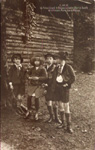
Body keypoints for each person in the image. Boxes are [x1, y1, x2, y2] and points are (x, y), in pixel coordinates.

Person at [52, 52, 75, 133]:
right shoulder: (56, 67)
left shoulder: (68, 67)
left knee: (66, 106)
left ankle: (69, 126)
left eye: (58, 58)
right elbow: (54, 77)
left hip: (64, 89)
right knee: (60, 105)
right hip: (57, 89)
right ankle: (63, 123)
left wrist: (67, 83)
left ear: (62, 59)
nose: (57, 60)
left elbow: (73, 78)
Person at [25, 56, 47, 121]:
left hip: (38, 85)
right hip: (32, 85)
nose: (36, 62)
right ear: (33, 62)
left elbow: (45, 77)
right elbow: (27, 74)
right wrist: (29, 77)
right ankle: (28, 110)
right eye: (35, 61)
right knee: (29, 97)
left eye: (38, 61)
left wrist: (38, 78)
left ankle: (36, 112)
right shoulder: (32, 68)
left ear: (40, 62)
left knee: (36, 98)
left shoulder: (43, 69)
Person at [44, 53, 61, 124]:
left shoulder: (56, 67)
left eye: (50, 58)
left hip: (54, 87)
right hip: (46, 87)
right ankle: (51, 116)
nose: (49, 60)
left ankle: (56, 117)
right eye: (47, 58)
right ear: (45, 60)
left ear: (53, 60)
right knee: (48, 102)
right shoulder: (44, 68)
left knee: (55, 102)